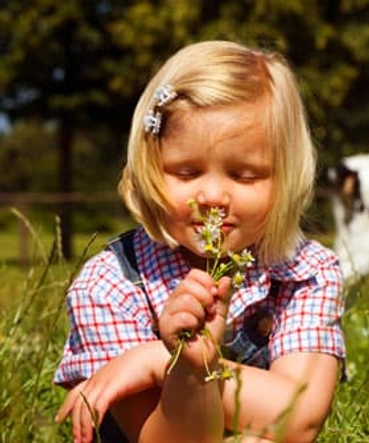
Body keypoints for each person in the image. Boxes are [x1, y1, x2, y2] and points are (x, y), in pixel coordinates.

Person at [53, 40, 346, 443]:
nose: (212, 197)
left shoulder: (304, 273)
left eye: (245, 176)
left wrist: (157, 360)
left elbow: (299, 419)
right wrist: (188, 369)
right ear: (150, 166)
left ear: (285, 175)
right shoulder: (111, 285)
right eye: (187, 173)